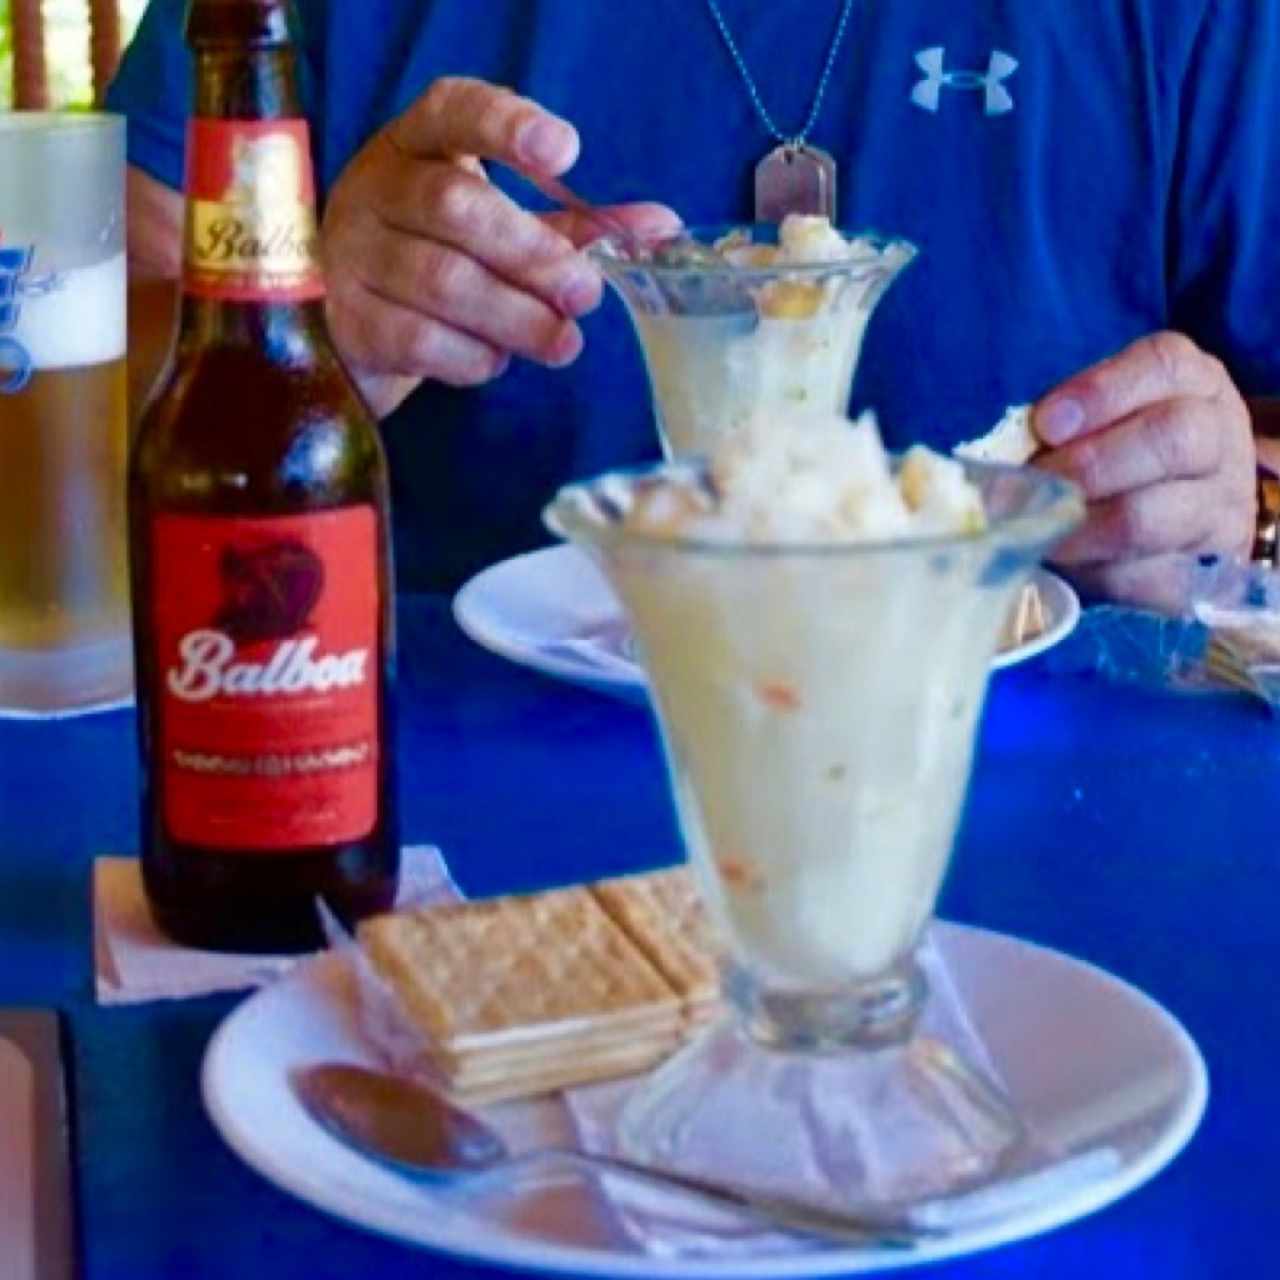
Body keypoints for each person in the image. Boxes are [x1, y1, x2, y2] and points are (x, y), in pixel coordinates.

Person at [109, 0, 1280, 609]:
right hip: (445, 796)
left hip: (1046, 805)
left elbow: (1256, 488)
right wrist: (288, 340)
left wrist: (1240, 507)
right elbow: (60, 430)